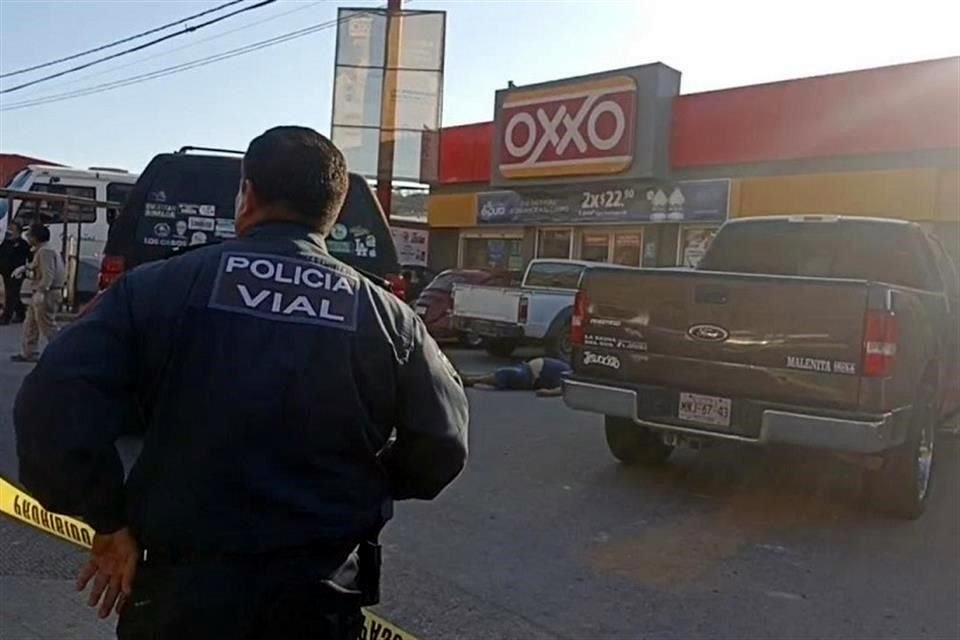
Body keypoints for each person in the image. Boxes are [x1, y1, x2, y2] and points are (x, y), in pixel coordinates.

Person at [14, 126, 469, 639]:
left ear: (247, 195)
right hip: (317, 597)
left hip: (181, 595)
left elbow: (51, 406)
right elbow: (442, 445)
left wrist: (107, 518)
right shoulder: (390, 319)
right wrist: (367, 484)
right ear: (333, 213)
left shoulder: (159, 288)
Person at [11, 223, 65, 362]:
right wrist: (25, 268)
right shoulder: (44, 249)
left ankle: (62, 352)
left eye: (29, 235)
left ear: (36, 237)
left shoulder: (45, 252)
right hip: (44, 292)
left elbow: (48, 274)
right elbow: (37, 266)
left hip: (47, 293)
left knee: (47, 325)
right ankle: (29, 352)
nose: (27, 237)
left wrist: (42, 290)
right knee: (30, 324)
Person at [462, 356, 572, 397]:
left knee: (504, 374)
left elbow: (560, 390)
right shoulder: (568, 370)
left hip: (531, 376)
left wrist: (546, 392)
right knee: (504, 374)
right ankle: (472, 379)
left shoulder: (567, 378)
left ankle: (471, 380)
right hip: (529, 369)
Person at [0, 220, 31, 324]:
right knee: (13, 294)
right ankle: (21, 313)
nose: (9, 231)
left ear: (18, 231)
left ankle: (6, 317)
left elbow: (30, 257)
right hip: (5, 271)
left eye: (12, 229)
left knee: (11, 294)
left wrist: (26, 268)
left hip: (17, 272)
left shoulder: (23, 244)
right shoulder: (5, 242)